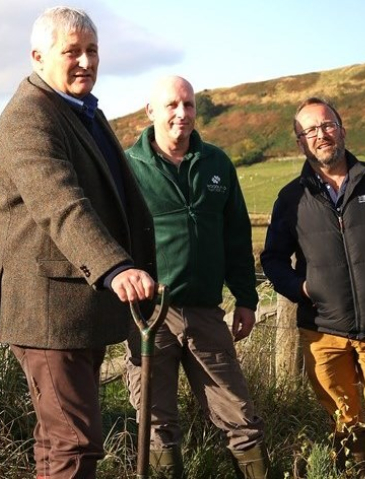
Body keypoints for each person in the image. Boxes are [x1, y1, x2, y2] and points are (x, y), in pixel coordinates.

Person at [0, 6, 157, 479]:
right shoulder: (29, 117)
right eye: (72, 52)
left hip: (75, 307)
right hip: (47, 309)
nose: (85, 61)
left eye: (92, 51)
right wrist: (115, 267)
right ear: (38, 56)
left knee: (61, 441)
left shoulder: (82, 111)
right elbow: (61, 204)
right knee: (74, 444)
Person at [261, 97, 365, 479]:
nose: (322, 135)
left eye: (327, 125)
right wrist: (302, 288)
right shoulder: (291, 198)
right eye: (311, 131)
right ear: (300, 143)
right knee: (346, 423)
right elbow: (272, 259)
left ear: (342, 129)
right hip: (322, 333)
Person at [124, 76, 269, 478]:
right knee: (155, 425)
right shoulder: (127, 167)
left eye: (188, 105)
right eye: (171, 105)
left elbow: (236, 236)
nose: (181, 114)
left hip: (206, 313)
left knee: (240, 417)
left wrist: (245, 298)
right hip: (148, 317)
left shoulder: (217, 163)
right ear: (150, 111)